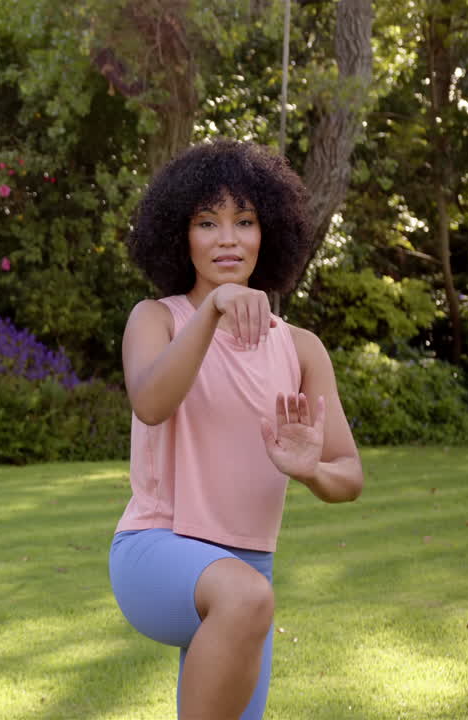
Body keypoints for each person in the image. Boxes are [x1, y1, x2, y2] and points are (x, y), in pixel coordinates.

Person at [109, 139, 364, 720]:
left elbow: (349, 475)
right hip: (157, 549)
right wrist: (213, 307)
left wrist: (311, 471)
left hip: (252, 577)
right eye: (208, 222)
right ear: (181, 235)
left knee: (247, 599)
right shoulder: (156, 318)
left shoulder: (301, 348)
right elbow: (150, 403)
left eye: (244, 221)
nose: (228, 238)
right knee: (244, 595)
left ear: (267, 232)